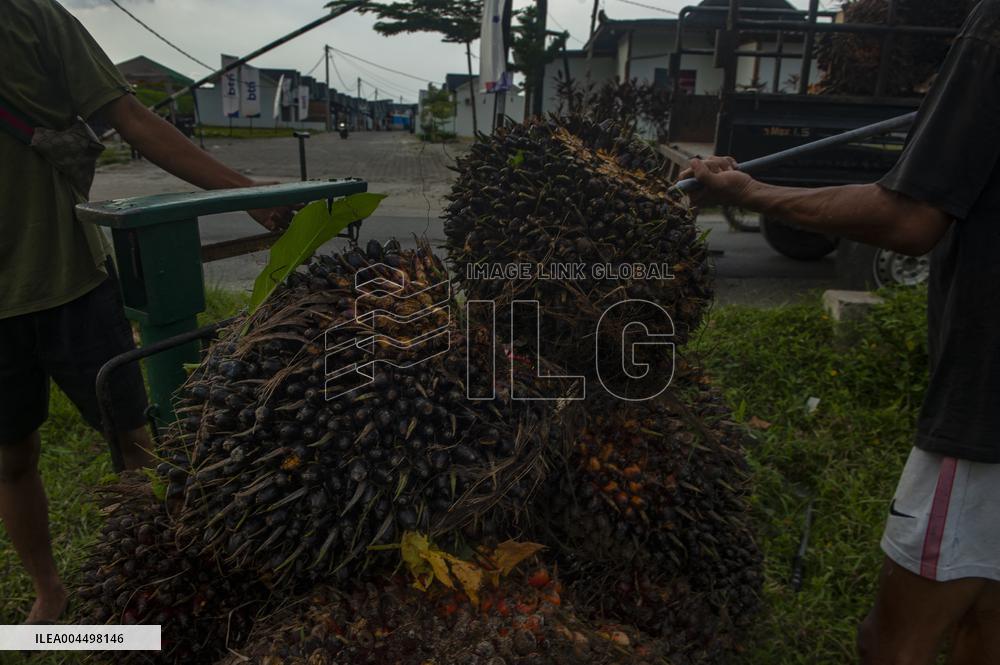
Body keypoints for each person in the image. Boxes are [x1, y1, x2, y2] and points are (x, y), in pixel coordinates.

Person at [684, 1, 1000, 663]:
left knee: (891, 643)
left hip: (988, 417)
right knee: (987, 625)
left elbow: (909, 217)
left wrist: (749, 192)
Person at [1, 0, 291, 623]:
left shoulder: (31, 16)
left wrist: (247, 193)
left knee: (134, 439)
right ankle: (49, 591)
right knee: (11, 457)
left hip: (68, 277)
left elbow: (129, 116)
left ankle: (175, 573)